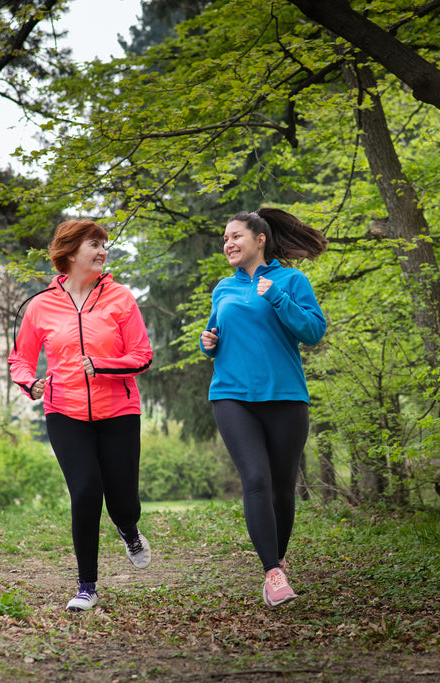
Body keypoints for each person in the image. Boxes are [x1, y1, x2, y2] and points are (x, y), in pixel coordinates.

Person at [8, 219, 154, 612]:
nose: (103, 250)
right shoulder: (40, 306)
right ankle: (86, 584)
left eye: (105, 244)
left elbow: (142, 355)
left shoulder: (120, 298)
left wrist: (103, 365)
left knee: (123, 502)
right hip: (65, 411)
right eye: (95, 244)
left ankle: (128, 528)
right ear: (71, 252)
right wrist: (30, 383)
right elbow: (19, 360)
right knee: (86, 491)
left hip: (119, 409)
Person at [199, 207, 327, 607]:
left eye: (235, 236)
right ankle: (273, 573)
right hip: (232, 395)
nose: (228, 244)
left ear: (260, 239)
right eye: (225, 238)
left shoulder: (291, 280)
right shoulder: (224, 288)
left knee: (282, 490)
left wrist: (276, 297)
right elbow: (214, 333)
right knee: (255, 479)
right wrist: (207, 343)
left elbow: (312, 331)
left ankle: (278, 559)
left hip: (285, 396)